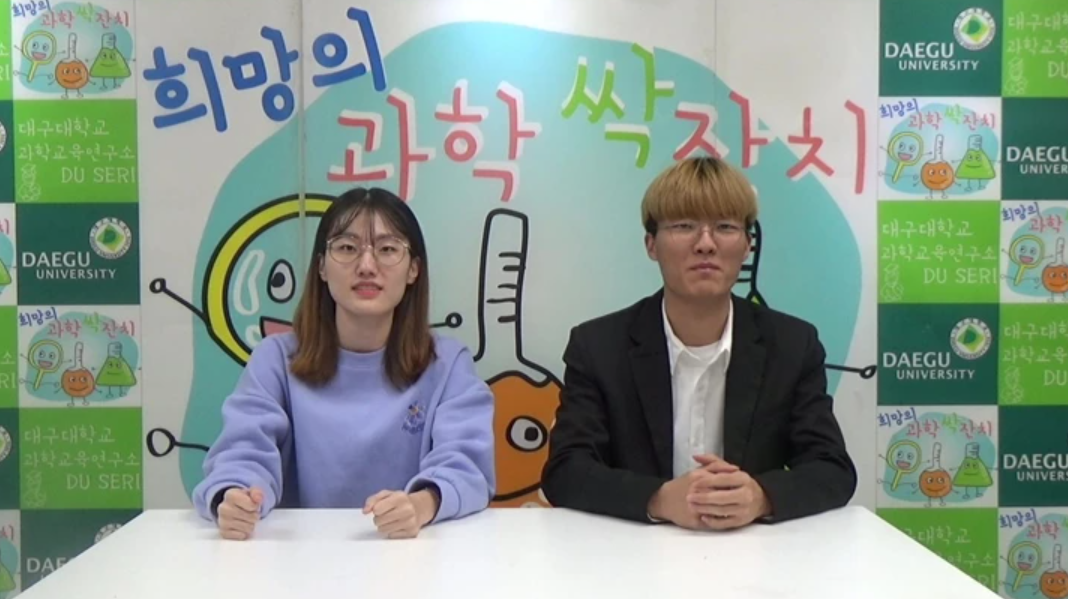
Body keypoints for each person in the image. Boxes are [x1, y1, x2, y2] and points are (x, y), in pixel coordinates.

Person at [541, 156, 856, 530]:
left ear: (747, 245)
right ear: (651, 244)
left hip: (753, 551)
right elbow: (566, 470)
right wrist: (659, 499)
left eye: (724, 227)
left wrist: (760, 496)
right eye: (684, 226)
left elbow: (832, 467)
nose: (705, 244)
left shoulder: (792, 345)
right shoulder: (598, 346)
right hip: (631, 551)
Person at [192, 187, 496, 540]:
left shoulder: (447, 364)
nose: (366, 266)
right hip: (297, 556)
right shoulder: (276, 359)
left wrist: (420, 504)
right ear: (321, 266)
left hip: (407, 553)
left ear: (413, 269)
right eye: (347, 248)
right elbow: (243, 451)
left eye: (387, 249)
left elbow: (467, 466)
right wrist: (235, 497)